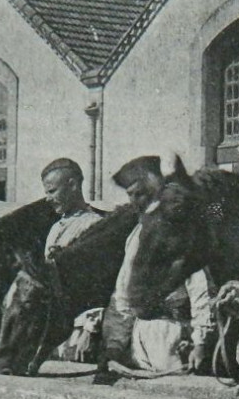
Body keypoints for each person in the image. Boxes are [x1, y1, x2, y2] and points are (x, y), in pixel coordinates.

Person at [104, 155, 212, 374]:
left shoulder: (178, 228)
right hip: (140, 333)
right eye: (130, 195)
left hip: (171, 333)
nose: (135, 201)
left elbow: (200, 289)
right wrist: (116, 343)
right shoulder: (136, 234)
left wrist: (200, 342)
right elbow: (123, 290)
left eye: (141, 194)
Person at [40, 157, 109, 258]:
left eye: (52, 191)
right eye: (47, 193)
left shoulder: (94, 225)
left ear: (73, 185)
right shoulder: (55, 228)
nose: (48, 199)